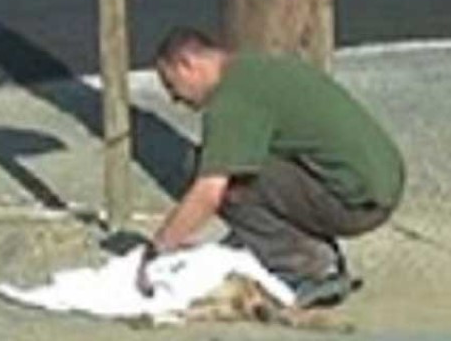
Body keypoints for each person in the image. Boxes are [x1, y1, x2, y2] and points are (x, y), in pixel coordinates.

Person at [137, 26, 406, 308]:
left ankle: (310, 270)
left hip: (358, 202)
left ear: (187, 64)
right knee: (240, 162)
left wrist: (157, 250)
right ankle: (299, 254)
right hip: (380, 182)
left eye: (171, 85)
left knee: (219, 176)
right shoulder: (257, 69)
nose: (174, 99)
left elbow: (209, 193)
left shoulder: (232, 99)